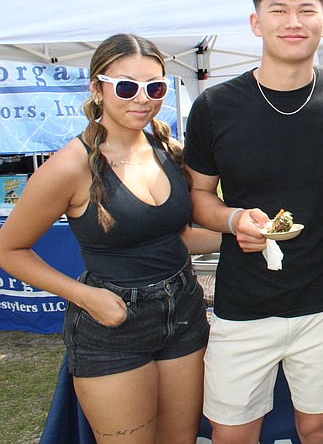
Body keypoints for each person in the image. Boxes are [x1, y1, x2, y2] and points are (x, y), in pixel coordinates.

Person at [183, 0, 323, 444]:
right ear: (256, 22)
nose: (293, 22)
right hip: (242, 304)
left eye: (306, 10)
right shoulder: (215, 106)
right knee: (231, 434)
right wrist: (232, 218)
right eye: (279, 10)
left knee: (319, 427)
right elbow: (198, 197)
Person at [0, 33, 220, 444]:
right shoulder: (70, 166)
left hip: (185, 313)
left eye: (154, 87)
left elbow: (175, 239)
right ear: (97, 89)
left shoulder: (168, 150)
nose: (142, 98)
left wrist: (238, 234)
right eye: (126, 86)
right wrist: (85, 297)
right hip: (112, 326)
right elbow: (9, 249)